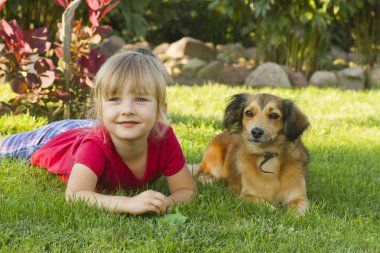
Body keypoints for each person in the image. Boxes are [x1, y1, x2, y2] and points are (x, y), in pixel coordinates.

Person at [0, 48, 195, 215]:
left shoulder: (164, 139)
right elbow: (75, 195)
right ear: (100, 108)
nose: (127, 109)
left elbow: (187, 190)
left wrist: (164, 203)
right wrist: (128, 203)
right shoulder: (95, 146)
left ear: (161, 109)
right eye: (115, 99)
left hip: (99, 127)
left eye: (141, 99)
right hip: (56, 138)